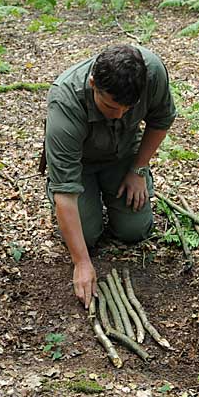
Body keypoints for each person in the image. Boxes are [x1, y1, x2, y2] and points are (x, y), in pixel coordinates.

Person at [44, 44, 176, 309]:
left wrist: (138, 169)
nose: (118, 115)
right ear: (93, 83)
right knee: (88, 237)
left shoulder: (152, 73)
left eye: (128, 109)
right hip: (80, 165)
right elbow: (65, 194)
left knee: (135, 230)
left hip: (125, 154)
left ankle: (113, 192)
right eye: (111, 106)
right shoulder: (65, 101)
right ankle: (90, 203)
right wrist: (81, 263)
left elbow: (161, 121)